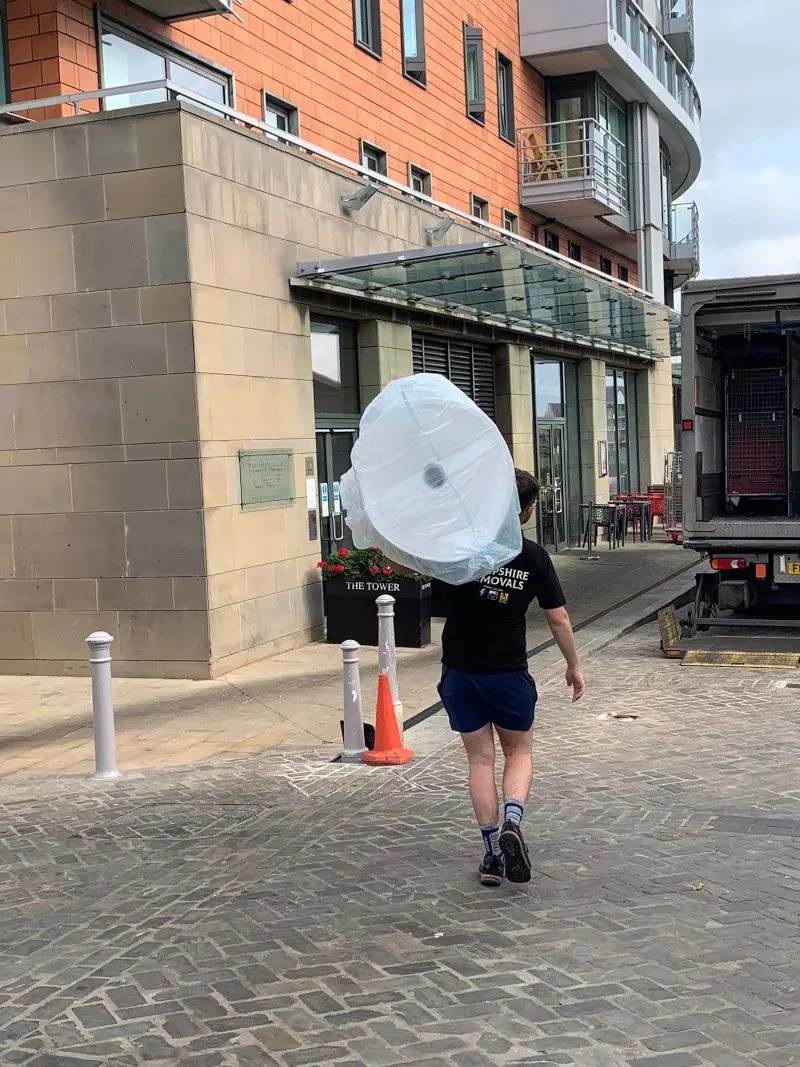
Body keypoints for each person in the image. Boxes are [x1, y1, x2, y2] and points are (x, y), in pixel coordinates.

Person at [438, 468, 585, 887]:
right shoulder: (533, 556)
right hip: (507, 672)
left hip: (460, 672)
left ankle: (489, 855)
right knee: (518, 752)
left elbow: (407, 563)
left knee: (479, 759)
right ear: (523, 512)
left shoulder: (462, 549)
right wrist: (573, 666)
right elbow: (557, 618)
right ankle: (512, 823)